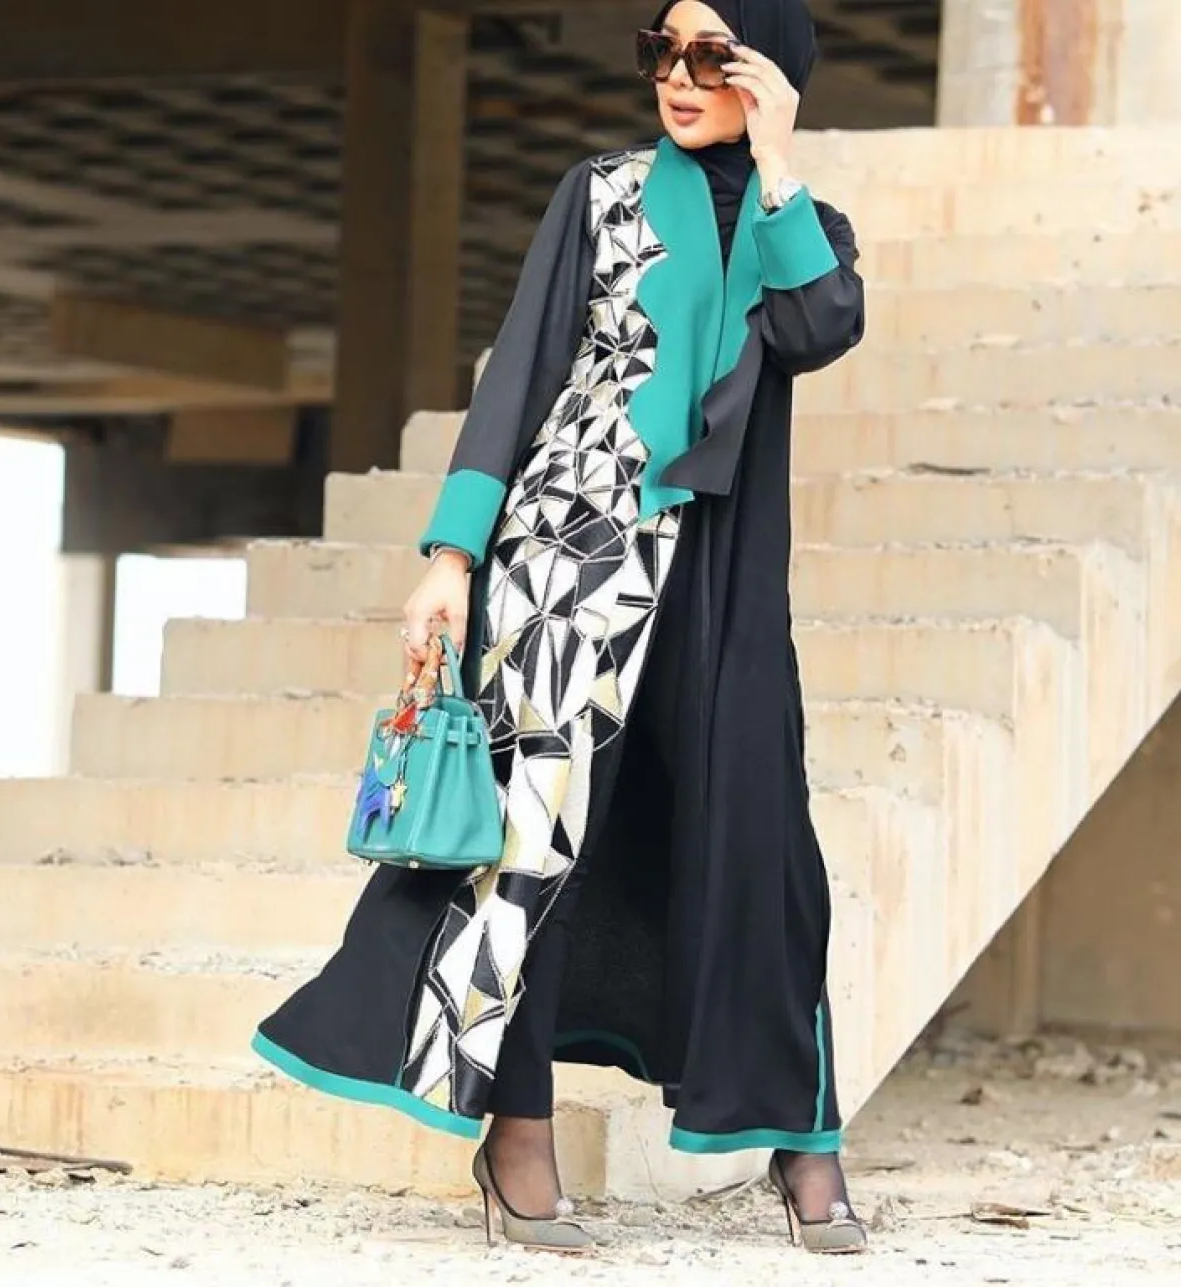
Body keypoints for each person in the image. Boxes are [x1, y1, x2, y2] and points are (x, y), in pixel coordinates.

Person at [253, 0, 867, 1256]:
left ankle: (803, 1137)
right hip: (564, 557)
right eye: (662, 52)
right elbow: (523, 375)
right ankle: (517, 1134)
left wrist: (779, 163)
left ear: (769, 74)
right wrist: (451, 556)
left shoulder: (804, 224)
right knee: (531, 847)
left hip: (720, 578)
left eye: (712, 57)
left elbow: (819, 328)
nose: (678, 78)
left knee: (763, 842)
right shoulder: (599, 194)